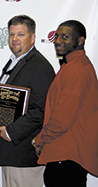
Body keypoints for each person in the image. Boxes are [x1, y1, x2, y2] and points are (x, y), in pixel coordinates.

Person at [0, 15, 55, 187]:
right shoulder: (15, 62)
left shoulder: (40, 67)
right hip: (10, 153)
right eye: (12, 35)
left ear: (33, 37)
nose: (14, 39)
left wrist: (11, 131)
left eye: (21, 35)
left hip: (23, 154)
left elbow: (41, 111)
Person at [33, 20, 98, 187]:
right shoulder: (72, 66)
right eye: (57, 36)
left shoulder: (77, 69)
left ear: (80, 41)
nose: (58, 41)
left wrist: (40, 139)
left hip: (66, 155)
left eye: (65, 37)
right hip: (65, 154)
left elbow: (62, 118)